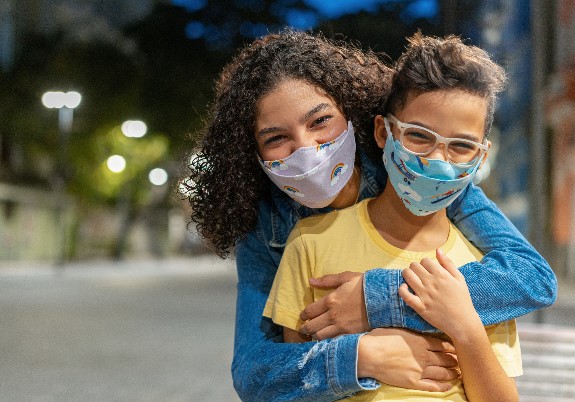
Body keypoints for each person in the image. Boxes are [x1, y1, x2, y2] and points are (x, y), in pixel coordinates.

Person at [185, 30, 556, 401]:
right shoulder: (270, 223)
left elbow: (531, 276)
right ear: (252, 154)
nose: (306, 150)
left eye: (319, 121)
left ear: (351, 114)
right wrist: (362, 356)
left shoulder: (416, 174)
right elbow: (256, 372)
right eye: (275, 139)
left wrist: (376, 300)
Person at [264, 32, 522, 401]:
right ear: (383, 132)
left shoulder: (482, 272)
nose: (437, 161)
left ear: (481, 156)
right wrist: (362, 356)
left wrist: (464, 325)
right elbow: (298, 382)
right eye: (419, 136)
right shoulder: (311, 243)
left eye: (462, 146)